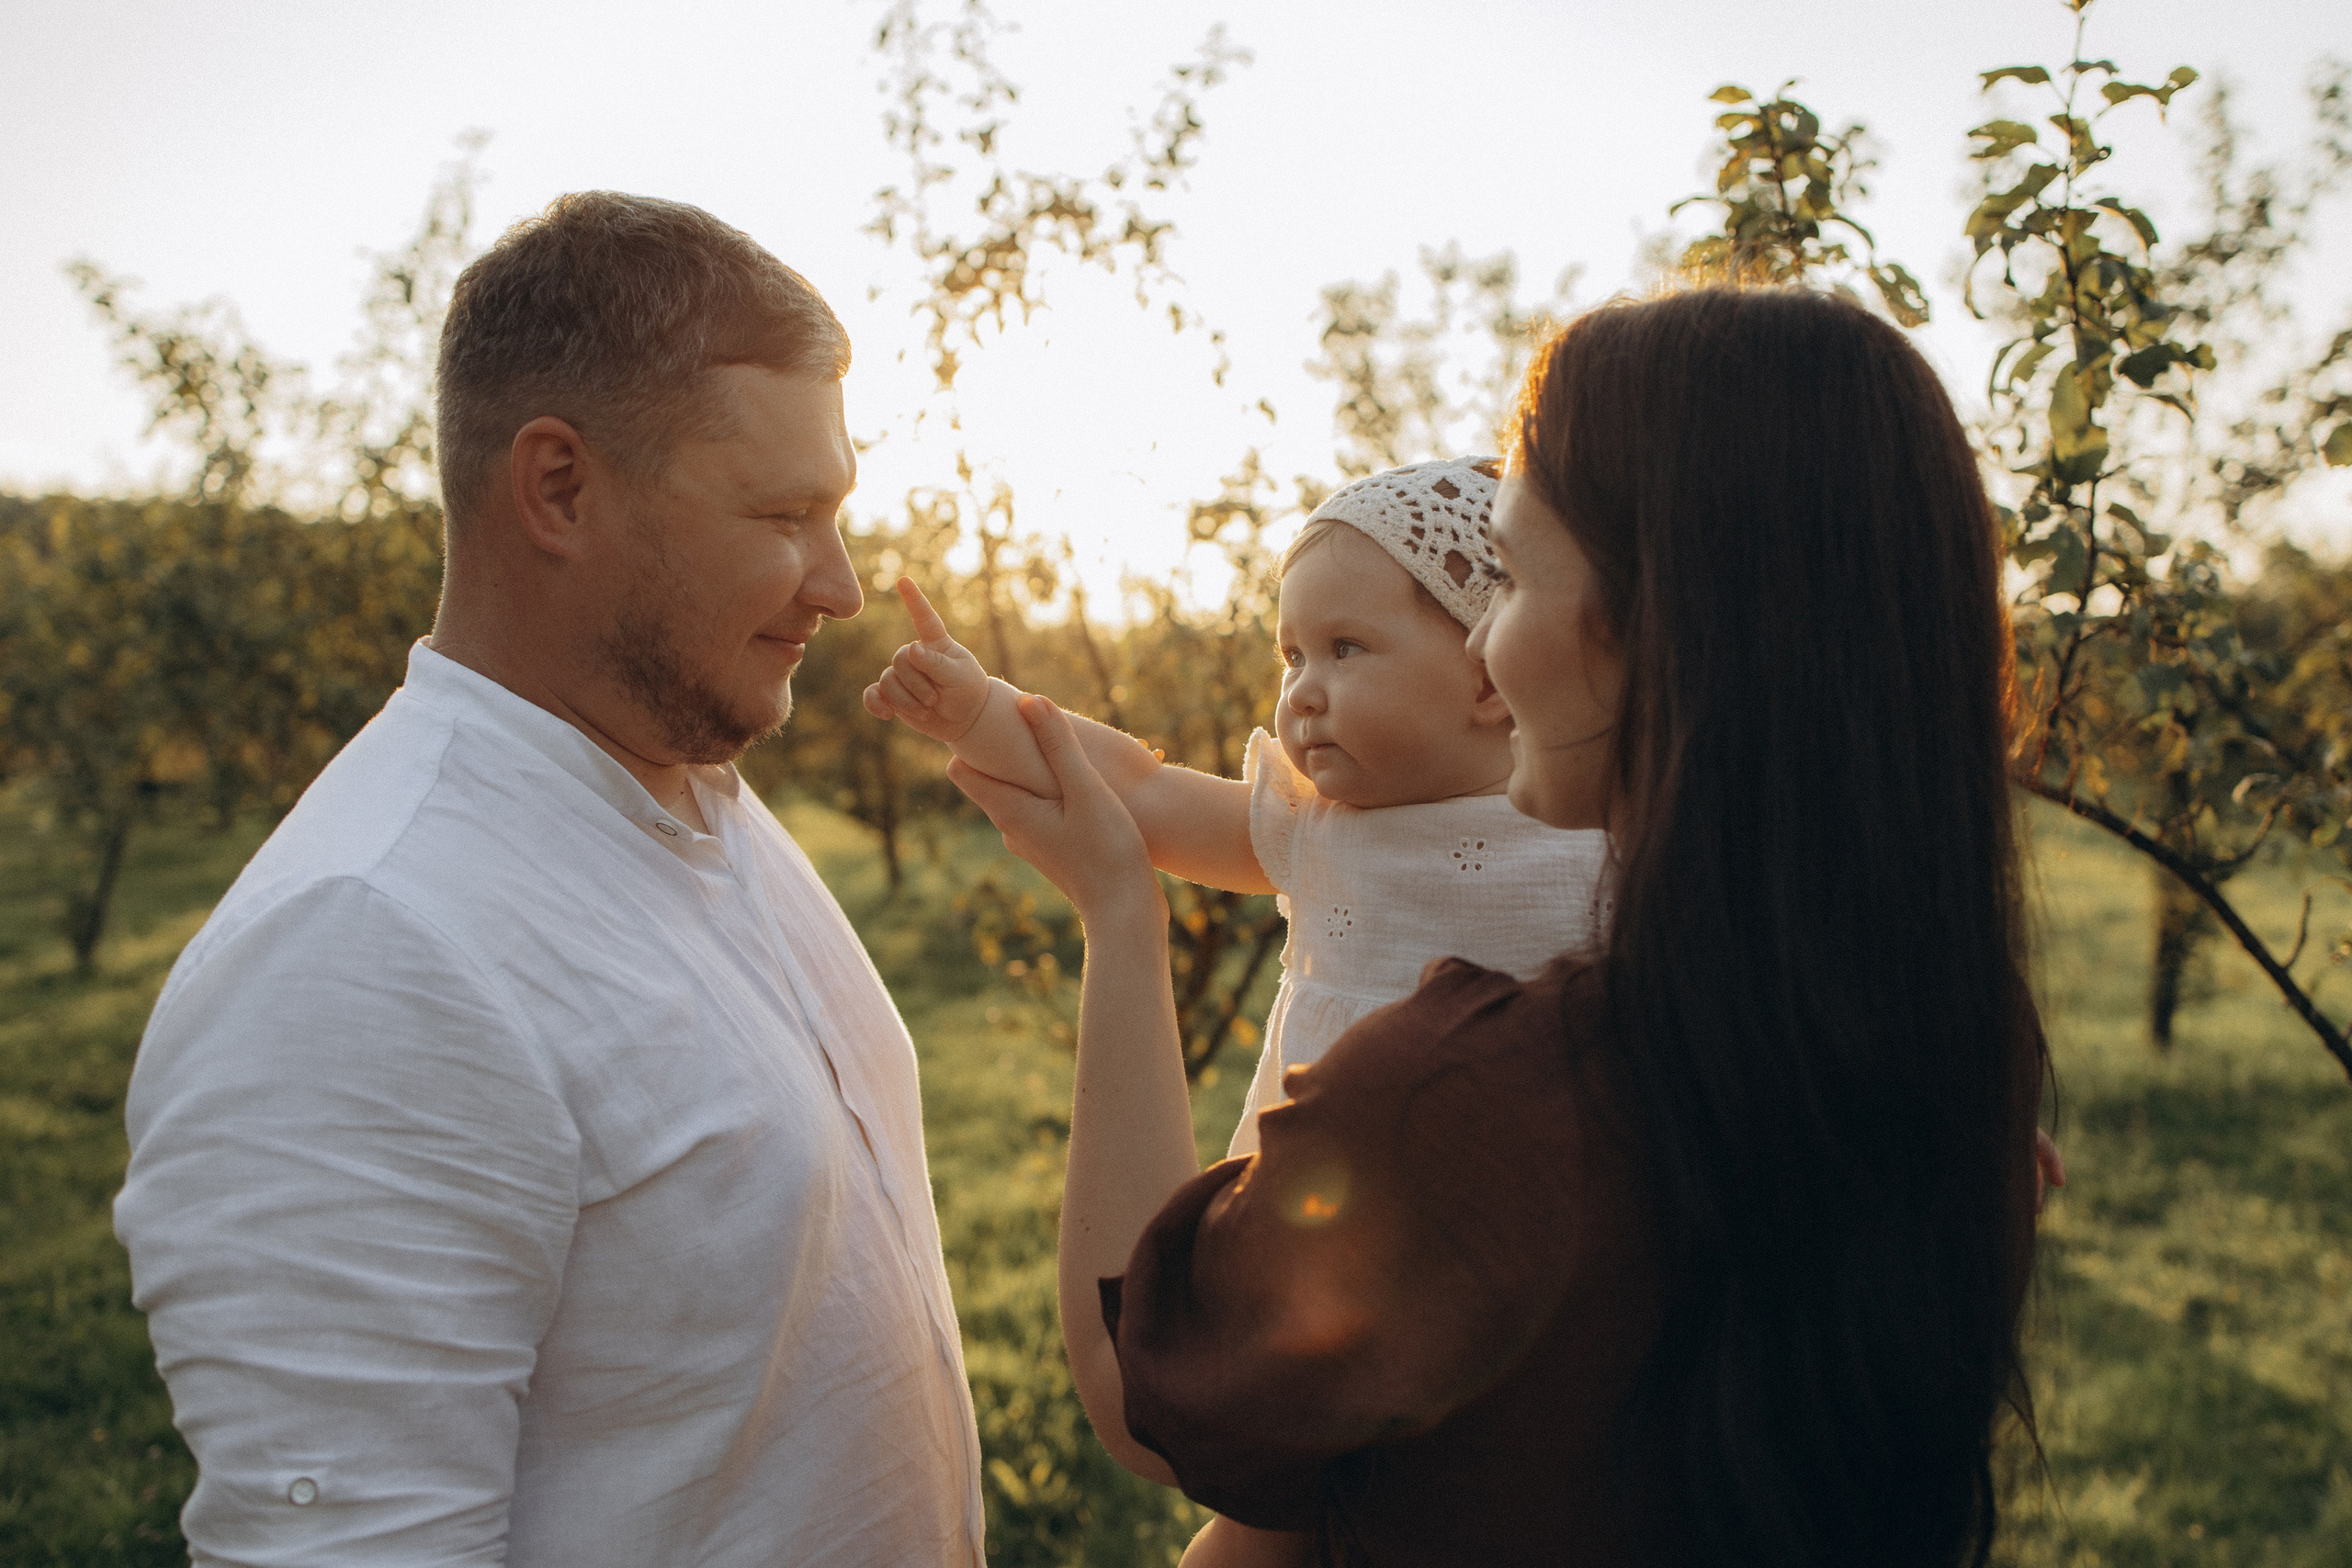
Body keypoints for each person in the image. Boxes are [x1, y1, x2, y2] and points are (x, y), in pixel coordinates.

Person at [954, 287, 2049, 1567]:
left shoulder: (1472, 1095)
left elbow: (1142, 1386)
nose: (1488, 638)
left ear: (1652, 625)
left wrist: (1119, 912)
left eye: (1514, 576)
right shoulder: (1948, 1062)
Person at [114, 193, 985, 1565]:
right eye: (785, 513)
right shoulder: (363, 951)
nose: (846, 586)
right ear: (559, 487)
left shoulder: (694, 783)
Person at [862, 457, 1610, 1158]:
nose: (1303, 690)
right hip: (1325, 1217)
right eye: (1293, 657)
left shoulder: (1604, 837)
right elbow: (1141, 789)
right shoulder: (1314, 829)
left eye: (1344, 648)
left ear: (1486, 676)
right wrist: (977, 710)